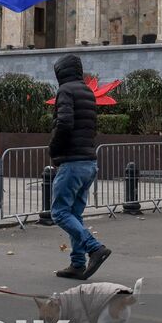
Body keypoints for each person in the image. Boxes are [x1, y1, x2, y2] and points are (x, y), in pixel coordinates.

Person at [49, 54, 111, 280]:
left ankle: (94, 247)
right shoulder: (87, 92)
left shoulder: (65, 91)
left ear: (61, 72)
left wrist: (54, 150)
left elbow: (64, 123)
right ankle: (77, 263)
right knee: (74, 212)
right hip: (89, 161)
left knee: (59, 212)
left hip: (73, 162)